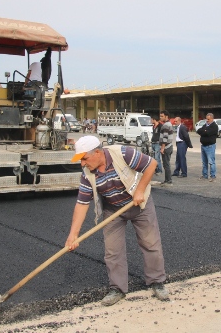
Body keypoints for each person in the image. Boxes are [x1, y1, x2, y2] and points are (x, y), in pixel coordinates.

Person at [65, 135, 168, 305]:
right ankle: (117, 288)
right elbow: (82, 203)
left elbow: (152, 164)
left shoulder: (122, 153)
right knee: (113, 251)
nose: (82, 163)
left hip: (139, 204)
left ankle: (157, 281)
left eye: (84, 158)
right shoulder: (87, 174)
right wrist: (73, 235)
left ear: (97, 152)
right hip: (113, 209)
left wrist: (140, 190)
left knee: (150, 244)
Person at [197, 113, 219, 182]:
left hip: (210, 146)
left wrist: (204, 131)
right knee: (204, 162)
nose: (207, 120)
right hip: (203, 146)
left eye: (208, 119)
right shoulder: (205, 125)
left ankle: (213, 176)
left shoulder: (214, 126)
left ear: (212, 119)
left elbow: (207, 133)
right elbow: (198, 131)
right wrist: (204, 131)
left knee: (211, 162)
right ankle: (204, 175)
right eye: (206, 119)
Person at [159, 110, 174, 186]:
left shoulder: (165, 125)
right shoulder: (169, 124)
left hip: (166, 147)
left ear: (166, 116)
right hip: (169, 146)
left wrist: (162, 148)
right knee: (166, 164)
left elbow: (165, 138)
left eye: (162, 116)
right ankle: (167, 180)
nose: (160, 118)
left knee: (166, 164)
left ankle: (168, 180)